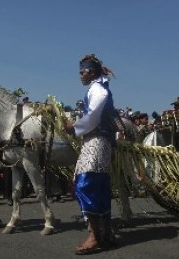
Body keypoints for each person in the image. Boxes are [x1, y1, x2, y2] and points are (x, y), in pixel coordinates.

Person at [64, 54, 119, 255]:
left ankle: (95, 236)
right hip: (96, 141)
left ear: (92, 72)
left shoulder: (98, 89)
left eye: (82, 72)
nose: (80, 76)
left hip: (97, 141)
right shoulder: (98, 88)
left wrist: (74, 127)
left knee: (85, 183)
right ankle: (107, 235)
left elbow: (93, 117)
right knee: (99, 186)